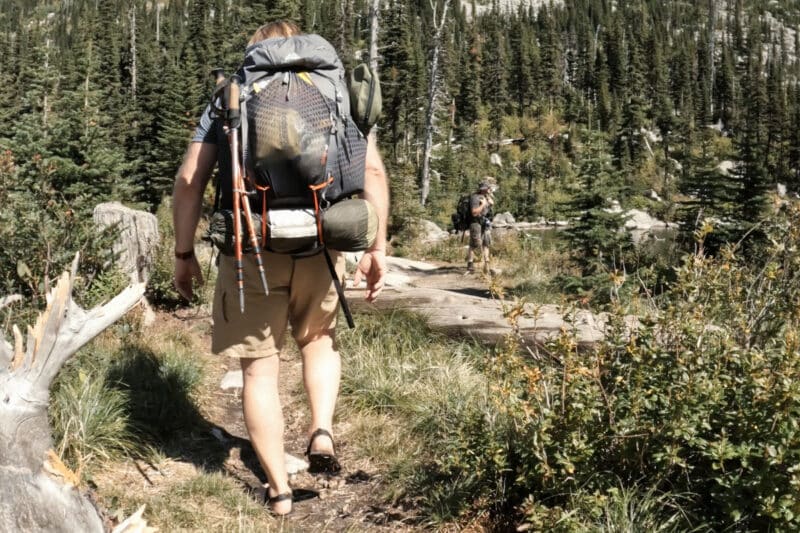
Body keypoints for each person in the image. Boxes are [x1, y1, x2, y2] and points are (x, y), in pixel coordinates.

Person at [171, 20, 389, 517]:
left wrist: (184, 256)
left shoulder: (232, 94)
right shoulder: (331, 86)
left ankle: (279, 490)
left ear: (255, 53)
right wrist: (377, 248)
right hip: (322, 241)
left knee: (259, 370)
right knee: (319, 342)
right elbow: (371, 170)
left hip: (252, 247)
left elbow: (189, 180)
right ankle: (322, 431)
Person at [466, 181, 494, 274]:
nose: (490, 190)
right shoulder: (475, 198)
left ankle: (487, 265)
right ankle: (470, 265)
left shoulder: (486, 197)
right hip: (475, 223)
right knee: (475, 244)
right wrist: (483, 204)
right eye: (488, 188)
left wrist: (489, 203)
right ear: (484, 189)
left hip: (484, 222)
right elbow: (474, 212)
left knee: (486, 243)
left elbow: (488, 208)